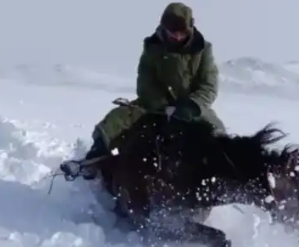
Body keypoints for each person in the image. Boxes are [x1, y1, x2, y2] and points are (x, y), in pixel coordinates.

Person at [85, 2, 225, 161]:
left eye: (182, 32)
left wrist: (191, 105)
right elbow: (145, 82)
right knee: (117, 119)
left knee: (216, 131)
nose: (177, 37)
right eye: (173, 33)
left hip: (190, 109)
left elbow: (209, 85)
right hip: (154, 106)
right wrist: (162, 105)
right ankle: (95, 157)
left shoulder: (203, 49)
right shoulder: (152, 47)